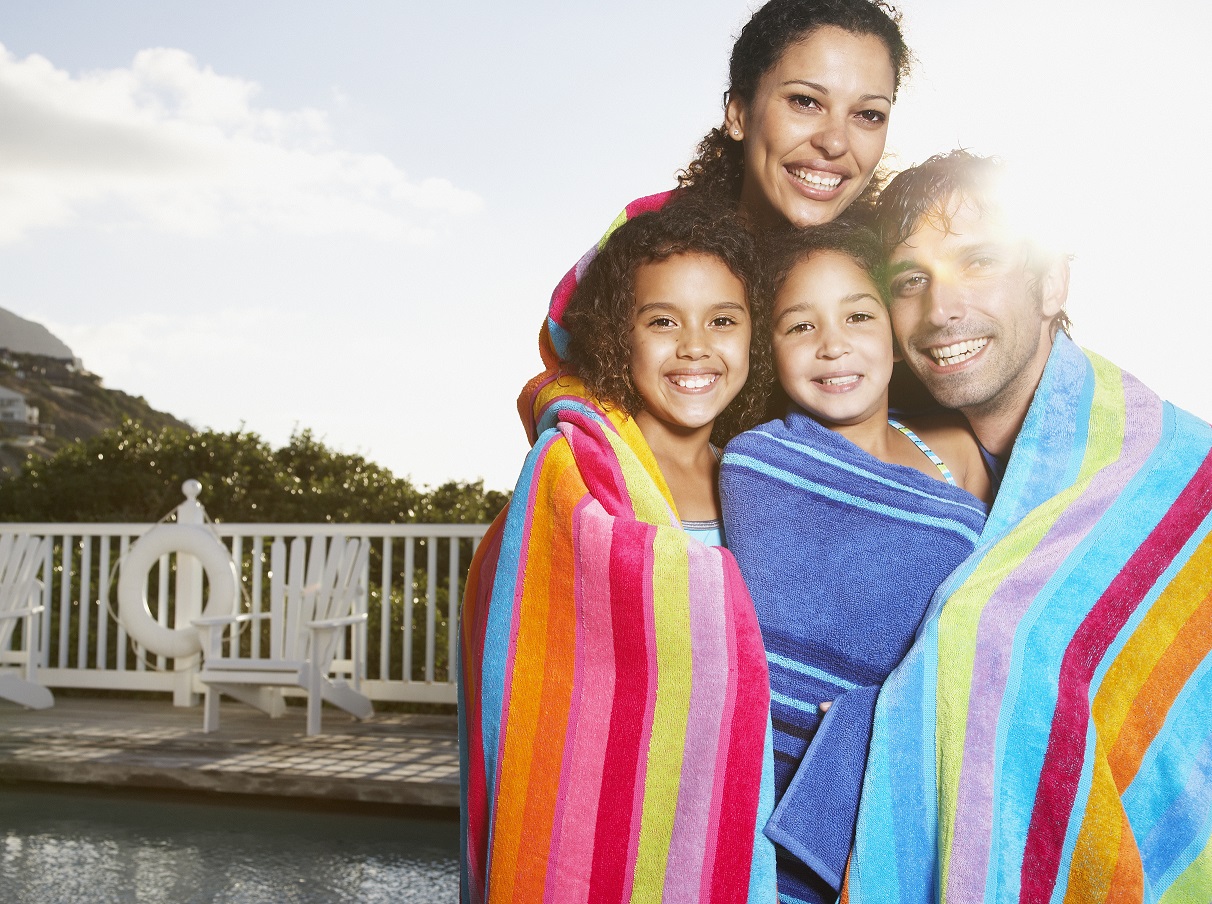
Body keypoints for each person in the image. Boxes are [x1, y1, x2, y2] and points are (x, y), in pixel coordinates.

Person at [843, 150, 1212, 902]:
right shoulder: (906, 475)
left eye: (979, 261)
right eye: (910, 280)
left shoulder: (1178, 483)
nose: (941, 309)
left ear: (1051, 283)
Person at [459, 202, 777, 903]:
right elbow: (539, 665)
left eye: (723, 320)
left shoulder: (761, 479)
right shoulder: (576, 474)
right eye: (663, 321)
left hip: (743, 807)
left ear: (756, 334)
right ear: (617, 338)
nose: (696, 346)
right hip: (605, 826)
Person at [718, 223, 990, 902]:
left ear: (897, 336)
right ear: (767, 350)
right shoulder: (753, 463)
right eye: (799, 326)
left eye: (859, 316)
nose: (833, 344)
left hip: (925, 770)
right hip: (772, 789)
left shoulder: (952, 450)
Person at [522, 0, 912, 446]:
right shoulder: (656, 235)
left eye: (868, 115)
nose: (835, 142)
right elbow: (566, 380)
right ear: (739, 114)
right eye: (805, 101)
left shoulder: (894, 256)